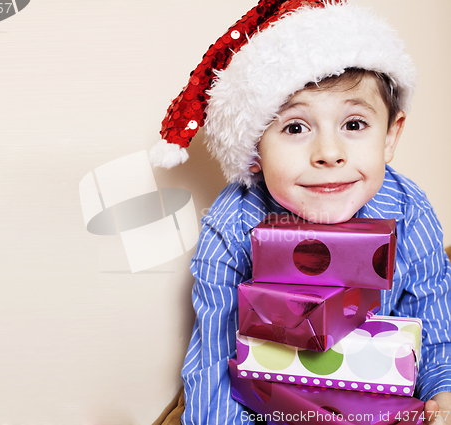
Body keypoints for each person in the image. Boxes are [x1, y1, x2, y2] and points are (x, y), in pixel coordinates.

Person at [148, 1, 451, 424]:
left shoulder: (408, 209)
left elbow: (437, 325)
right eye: (295, 128)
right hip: (271, 408)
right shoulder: (233, 225)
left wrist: (443, 391)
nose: (328, 153)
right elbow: (214, 360)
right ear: (254, 148)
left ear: (389, 136)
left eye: (354, 125)